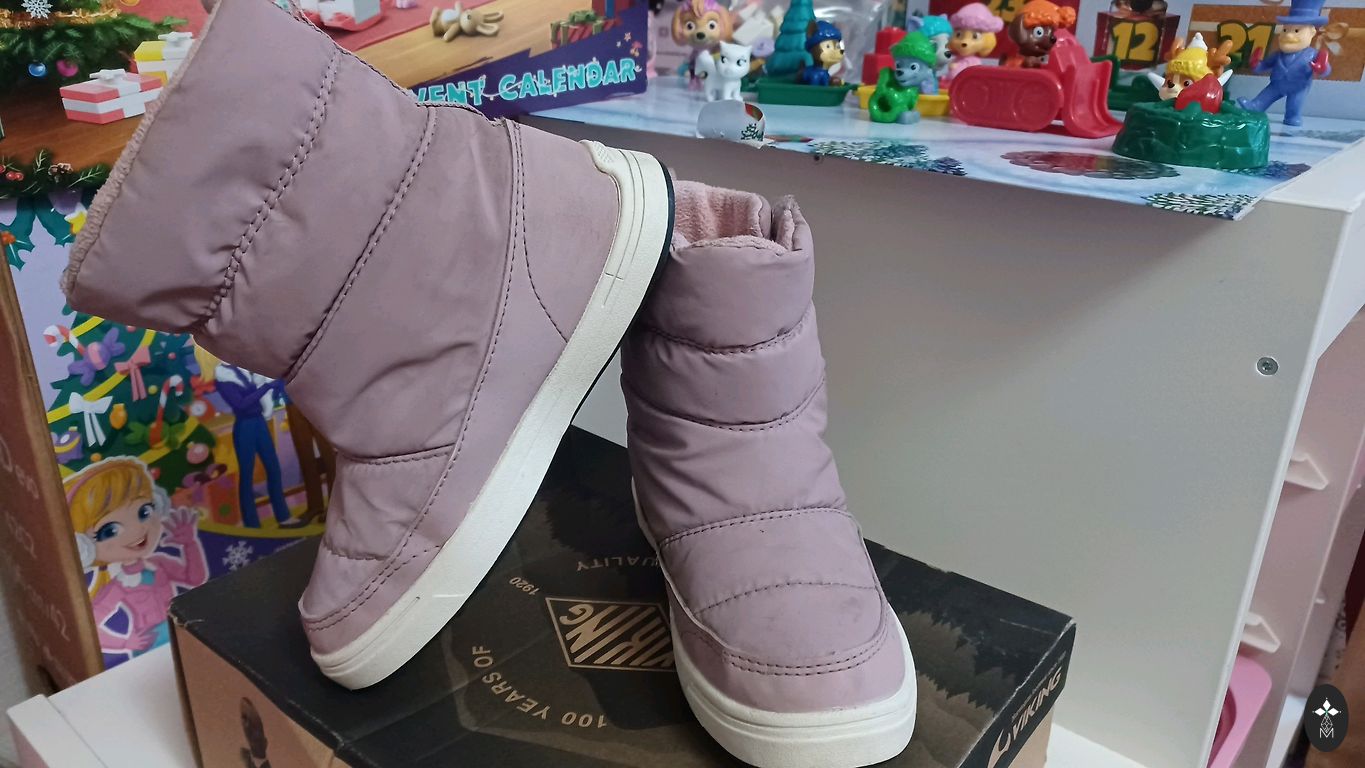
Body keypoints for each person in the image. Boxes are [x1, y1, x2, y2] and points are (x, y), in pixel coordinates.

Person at [67, 457, 207, 658]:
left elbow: (194, 579)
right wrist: (124, 642)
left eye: (144, 511)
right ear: (84, 546)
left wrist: (189, 544)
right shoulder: (119, 584)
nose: (137, 530)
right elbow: (92, 627)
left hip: (184, 630)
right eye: (110, 530)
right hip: (152, 646)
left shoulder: (158, 564)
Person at [215, 361, 292, 528]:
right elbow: (241, 404)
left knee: (273, 468)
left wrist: (272, 387)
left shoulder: (242, 369)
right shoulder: (222, 376)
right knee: (247, 475)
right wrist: (266, 387)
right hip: (245, 427)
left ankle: (283, 516)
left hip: (259, 422)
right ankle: (252, 523)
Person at [1236, 0, 1331, 126]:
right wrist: (1256, 64)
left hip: (1298, 87)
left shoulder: (1312, 54)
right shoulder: (1278, 54)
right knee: (1266, 96)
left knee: (1294, 104)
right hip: (1276, 84)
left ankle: (1292, 117)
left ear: (1312, 33)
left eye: (1296, 31)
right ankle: (1255, 106)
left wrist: (1322, 68)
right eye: (1285, 30)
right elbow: (1264, 65)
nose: (1288, 35)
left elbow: (1325, 70)